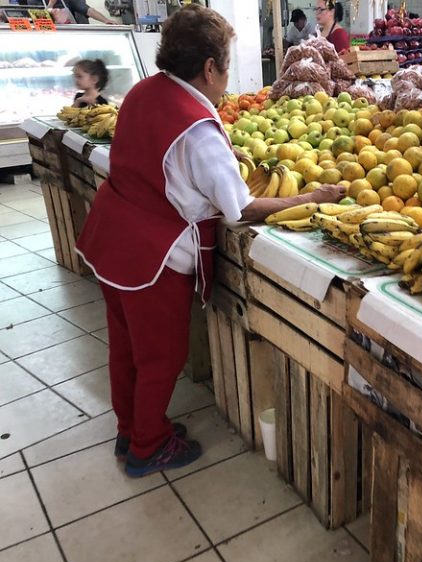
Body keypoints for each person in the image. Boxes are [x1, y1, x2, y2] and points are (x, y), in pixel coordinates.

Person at [75, 4, 344, 478]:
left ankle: (130, 428)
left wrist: (223, 149)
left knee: (125, 346)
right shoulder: (199, 129)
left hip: (109, 239)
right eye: (225, 65)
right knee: (161, 355)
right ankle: (147, 446)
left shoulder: (144, 91)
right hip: (150, 257)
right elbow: (239, 209)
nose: (226, 77)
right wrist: (311, 196)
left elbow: (161, 152)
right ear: (209, 67)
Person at [47, 0, 115, 24]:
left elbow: (88, 10)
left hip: (68, 34)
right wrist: (51, 4)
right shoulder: (36, 2)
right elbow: (41, 25)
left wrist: (106, 20)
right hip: (46, 35)